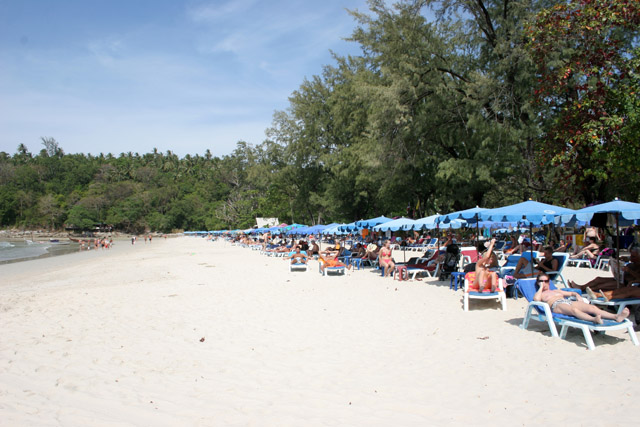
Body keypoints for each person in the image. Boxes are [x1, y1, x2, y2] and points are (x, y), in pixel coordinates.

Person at [534, 274, 629, 324]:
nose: (544, 283)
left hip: (568, 301)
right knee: (574, 310)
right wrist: (541, 287)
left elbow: (572, 293)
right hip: (556, 305)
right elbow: (536, 300)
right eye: (541, 281)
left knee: (592, 308)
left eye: (545, 281)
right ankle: (593, 319)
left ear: (549, 281)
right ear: (538, 282)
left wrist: (578, 296)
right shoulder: (541, 293)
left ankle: (616, 316)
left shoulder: (556, 290)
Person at [568, 247, 640, 293]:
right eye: (631, 255)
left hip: (625, 284)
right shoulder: (632, 263)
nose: (631, 257)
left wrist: (629, 271)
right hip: (620, 279)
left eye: (633, 256)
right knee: (598, 279)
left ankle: (582, 290)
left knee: (600, 286)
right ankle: (581, 287)